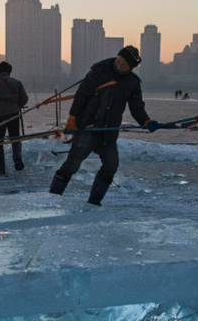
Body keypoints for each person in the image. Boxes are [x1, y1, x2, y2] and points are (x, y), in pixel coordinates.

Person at [49, 46, 161, 205]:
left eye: (124, 65)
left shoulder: (132, 83)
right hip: (88, 127)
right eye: (118, 61)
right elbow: (82, 95)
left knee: (111, 165)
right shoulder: (100, 71)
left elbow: (136, 107)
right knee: (72, 165)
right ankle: (52, 199)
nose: (119, 65)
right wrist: (72, 119)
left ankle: (94, 202)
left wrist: (146, 121)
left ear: (131, 67)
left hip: (108, 132)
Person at [0, 61, 29, 174]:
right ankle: (17, 158)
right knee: (15, 138)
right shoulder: (17, 83)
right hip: (14, 114)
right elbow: (25, 98)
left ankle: (0, 166)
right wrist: (17, 106)